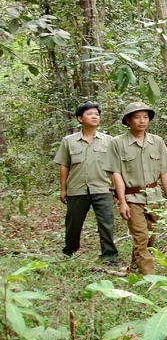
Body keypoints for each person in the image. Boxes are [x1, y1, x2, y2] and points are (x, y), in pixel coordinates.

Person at [104, 102, 167, 275]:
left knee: (151, 236)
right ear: (128, 120)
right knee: (141, 236)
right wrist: (122, 201)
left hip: (154, 197)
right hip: (132, 198)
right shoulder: (117, 143)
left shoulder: (157, 142)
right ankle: (149, 276)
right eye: (137, 117)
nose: (142, 121)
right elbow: (116, 174)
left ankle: (134, 267)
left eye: (145, 117)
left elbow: (165, 171)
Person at [53, 102, 120, 266]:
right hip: (77, 189)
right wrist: (63, 189)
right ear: (80, 118)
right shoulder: (69, 141)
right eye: (90, 114)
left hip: (103, 188)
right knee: (73, 223)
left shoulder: (109, 141)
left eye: (97, 114)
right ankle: (69, 252)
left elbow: (115, 168)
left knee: (106, 223)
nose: (94, 116)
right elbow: (64, 165)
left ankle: (109, 256)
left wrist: (117, 190)